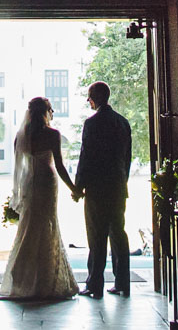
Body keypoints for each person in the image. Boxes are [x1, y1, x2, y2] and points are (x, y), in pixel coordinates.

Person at [0, 97, 80, 300]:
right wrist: (74, 188)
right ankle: (47, 279)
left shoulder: (21, 136)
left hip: (29, 183)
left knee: (30, 226)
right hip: (47, 181)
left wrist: (18, 191)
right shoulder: (53, 134)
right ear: (46, 112)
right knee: (48, 224)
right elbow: (60, 166)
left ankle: (22, 277)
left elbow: (19, 168)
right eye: (51, 110)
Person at [72, 81, 133, 297]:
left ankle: (94, 284)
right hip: (117, 186)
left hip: (97, 188)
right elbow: (127, 158)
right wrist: (122, 180)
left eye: (88, 97)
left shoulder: (92, 123)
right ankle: (123, 282)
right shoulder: (123, 123)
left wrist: (78, 186)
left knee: (96, 236)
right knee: (118, 233)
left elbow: (86, 157)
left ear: (93, 98)